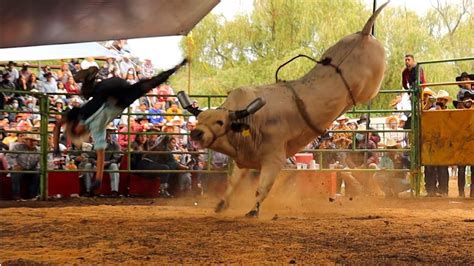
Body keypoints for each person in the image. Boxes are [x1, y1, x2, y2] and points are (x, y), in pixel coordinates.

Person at [53, 59, 187, 193]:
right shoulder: (96, 129)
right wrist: (98, 179)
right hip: (119, 96)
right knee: (150, 84)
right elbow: (100, 155)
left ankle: (90, 77)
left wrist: (55, 148)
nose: (78, 129)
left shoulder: (78, 114)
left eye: (75, 129)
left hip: (108, 91)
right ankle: (177, 66)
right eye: (77, 131)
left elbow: (58, 125)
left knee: (87, 93)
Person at [6, 134, 40, 200]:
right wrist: (15, 165)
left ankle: (33, 196)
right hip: (19, 167)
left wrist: (38, 167)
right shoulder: (17, 147)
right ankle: (16, 196)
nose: (31, 142)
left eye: (34, 141)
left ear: (37, 142)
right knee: (16, 175)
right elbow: (9, 156)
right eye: (29, 140)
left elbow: (40, 161)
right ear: (25, 141)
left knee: (37, 174)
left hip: (31, 168)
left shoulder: (39, 150)